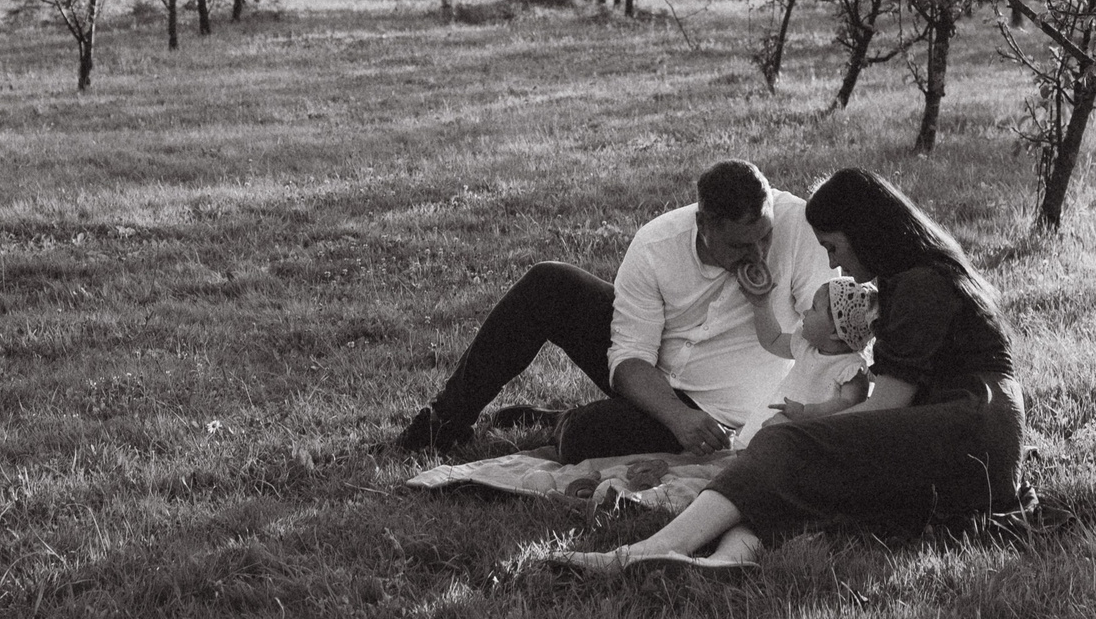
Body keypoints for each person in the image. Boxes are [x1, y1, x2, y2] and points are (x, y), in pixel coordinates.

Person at [555, 166, 1025, 575]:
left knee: (785, 445)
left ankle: (648, 550)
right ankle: (728, 558)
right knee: (798, 468)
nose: (834, 263)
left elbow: (885, 405)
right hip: (960, 434)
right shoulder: (911, 279)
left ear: (866, 234)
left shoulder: (921, 285)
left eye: (834, 247)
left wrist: (800, 432)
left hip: (968, 433)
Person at [394, 159, 833, 464]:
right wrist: (675, 417)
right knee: (549, 283)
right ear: (703, 225)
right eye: (739, 245)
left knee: (584, 437)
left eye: (764, 237)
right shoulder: (657, 245)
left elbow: (831, 332)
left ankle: (560, 422)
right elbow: (629, 357)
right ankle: (442, 424)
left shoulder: (799, 228)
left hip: (719, 407)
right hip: (660, 384)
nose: (757, 253)